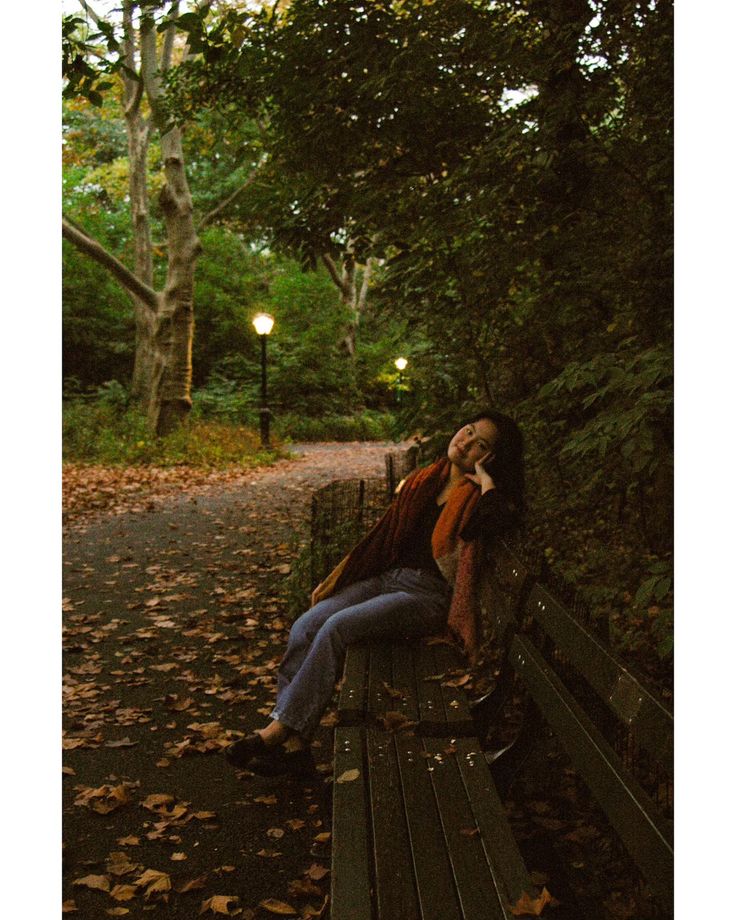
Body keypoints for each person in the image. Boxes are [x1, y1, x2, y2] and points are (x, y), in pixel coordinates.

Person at [226, 409, 524, 778]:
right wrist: (346, 574)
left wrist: (486, 480)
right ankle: (295, 746)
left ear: (492, 457)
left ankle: (277, 729)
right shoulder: (425, 480)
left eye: (480, 445)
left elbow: (499, 520)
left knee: (336, 627)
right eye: (467, 431)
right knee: (306, 625)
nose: (465, 443)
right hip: (388, 580)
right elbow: (384, 539)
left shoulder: (479, 498)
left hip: (427, 597)